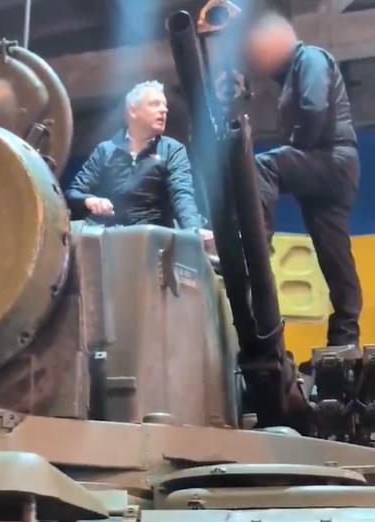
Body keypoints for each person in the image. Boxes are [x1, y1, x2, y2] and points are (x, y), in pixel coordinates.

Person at [245, 13, 362, 349]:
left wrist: (297, 149)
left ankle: (256, 248)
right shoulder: (291, 72)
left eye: (261, 51)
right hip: (333, 166)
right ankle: (345, 340)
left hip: (330, 158)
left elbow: (314, 108)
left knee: (264, 166)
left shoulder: (309, 58)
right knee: (335, 256)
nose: (259, 60)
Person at [64, 81, 214, 248]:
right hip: (110, 243)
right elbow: (73, 193)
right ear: (132, 110)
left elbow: (182, 194)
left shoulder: (172, 150)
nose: (164, 110)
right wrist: (89, 200)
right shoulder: (105, 150)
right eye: (155, 104)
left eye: (164, 105)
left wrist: (193, 230)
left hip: (154, 244)